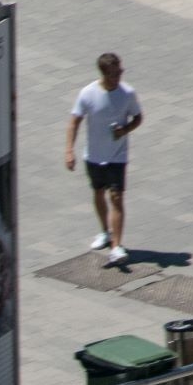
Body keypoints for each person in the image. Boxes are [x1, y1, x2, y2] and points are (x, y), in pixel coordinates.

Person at [64, 52, 142, 263]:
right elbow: (74, 122)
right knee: (98, 192)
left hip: (117, 155)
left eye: (120, 73)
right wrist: (69, 151)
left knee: (116, 196)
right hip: (94, 154)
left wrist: (124, 130)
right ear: (103, 74)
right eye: (113, 74)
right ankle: (104, 232)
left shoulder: (127, 93)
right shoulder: (88, 93)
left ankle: (116, 246)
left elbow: (138, 118)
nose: (118, 78)